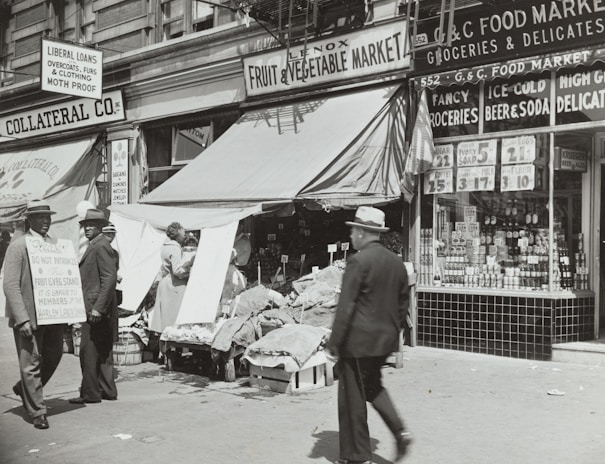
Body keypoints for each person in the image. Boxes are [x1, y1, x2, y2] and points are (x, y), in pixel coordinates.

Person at [325, 206, 412, 464]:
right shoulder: (396, 263)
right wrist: (391, 333)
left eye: (353, 230)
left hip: (358, 342)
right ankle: (401, 431)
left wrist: (333, 344)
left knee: (351, 399)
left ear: (363, 232)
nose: (351, 235)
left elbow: (346, 306)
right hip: (383, 341)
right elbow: (402, 305)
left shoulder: (358, 261)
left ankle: (355, 455)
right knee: (373, 387)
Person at [3, 200, 64, 429]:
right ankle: (37, 410)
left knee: (54, 354)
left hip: (53, 313)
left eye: (48, 217)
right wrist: (22, 318)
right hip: (29, 315)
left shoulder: (55, 245)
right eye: (40, 217)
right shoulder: (19, 245)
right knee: (31, 362)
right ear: (29, 220)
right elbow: (10, 284)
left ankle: (24, 389)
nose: (46, 221)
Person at [69, 208, 118, 404]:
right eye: (85, 225)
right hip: (101, 306)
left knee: (88, 352)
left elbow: (109, 278)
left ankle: (90, 393)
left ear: (100, 227)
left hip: (95, 307)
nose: (87, 228)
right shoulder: (100, 245)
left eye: (92, 225)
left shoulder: (99, 246)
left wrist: (98, 307)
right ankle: (107, 389)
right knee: (103, 350)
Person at [148, 222, 192, 333]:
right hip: (174, 285)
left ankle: (163, 347)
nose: (184, 235)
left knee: (165, 318)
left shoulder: (165, 246)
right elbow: (177, 270)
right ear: (177, 233)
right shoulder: (175, 248)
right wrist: (190, 272)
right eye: (183, 232)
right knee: (174, 319)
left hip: (165, 283)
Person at [102, 223, 122, 306]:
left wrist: (116, 276)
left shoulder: (115, 253)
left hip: (111, 291)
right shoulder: (97, 249)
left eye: (113, 233)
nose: (110, 235)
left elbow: (115, 269)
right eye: (107, 232)